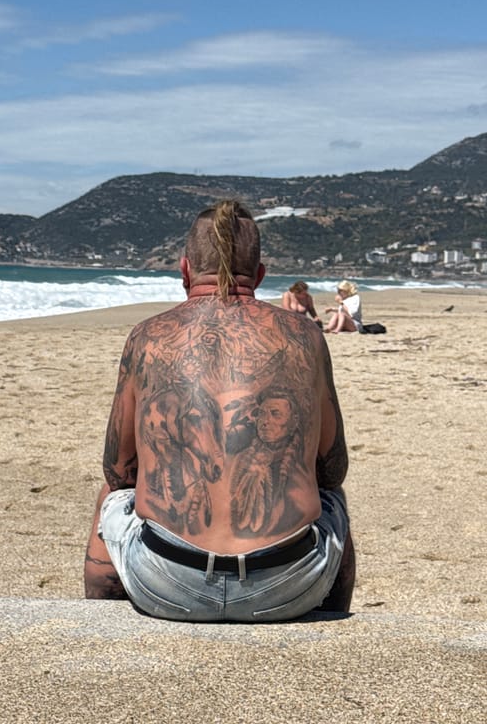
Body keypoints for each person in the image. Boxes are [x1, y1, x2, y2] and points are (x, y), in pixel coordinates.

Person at [83, 200, 355, 622]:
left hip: (166, 580)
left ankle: (100, 618)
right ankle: (333, 617)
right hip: (288, 583)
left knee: (113, 494)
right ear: (261, 274)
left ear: (185, 269)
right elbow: (333, 468)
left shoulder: (147, 337)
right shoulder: (305, 337)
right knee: (331, 497)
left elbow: (118, 470)